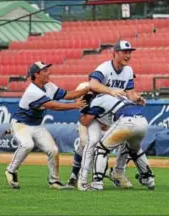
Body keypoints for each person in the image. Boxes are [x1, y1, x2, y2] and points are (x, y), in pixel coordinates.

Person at [67, 40, 146, 188]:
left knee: (127, 137)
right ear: (115, 53)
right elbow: (92, 85)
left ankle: (117, 172)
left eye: (129, 52)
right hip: (95, 111)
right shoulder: (104, 68)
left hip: (111, 112)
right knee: (91, 142)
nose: (128, 55)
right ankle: (81, 180)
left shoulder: (128, 70)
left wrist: (137, 98)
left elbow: (130, 93)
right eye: (124, 52)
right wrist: (110, 91)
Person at [5, 61, 89, 190]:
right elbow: (54, 106)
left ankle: (54, 181)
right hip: (21, 124)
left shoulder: (48, 86)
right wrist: (74, 105)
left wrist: (88, 88)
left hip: (37, 125)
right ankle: (11, 170)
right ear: (36, 74)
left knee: (53, 150)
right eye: (44, 70)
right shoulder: (32, 91)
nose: (48, 72)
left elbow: (68, 94)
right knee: (27, 145)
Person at [78, 93, 155, 191]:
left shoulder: (97, 100)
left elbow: (86, 121)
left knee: (101, 149)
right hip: (142, 121)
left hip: (127, 121)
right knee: (134, 150)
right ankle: (148, 179)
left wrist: (81, 117)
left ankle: (97, 183)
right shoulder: (116, 97)